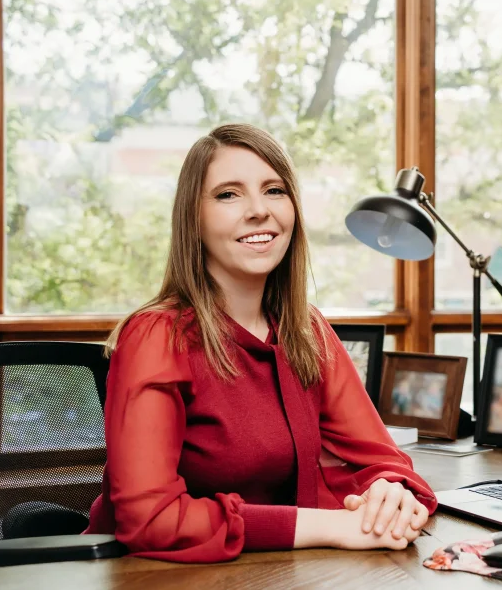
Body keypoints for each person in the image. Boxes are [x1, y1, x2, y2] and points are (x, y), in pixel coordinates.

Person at [84, 124, 436, 562]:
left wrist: (391, 492)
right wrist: (332, 526)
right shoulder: (158, 337)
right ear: (193, 218)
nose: (258, 211)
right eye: (228, 195)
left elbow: (382, 457)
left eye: (274, 190)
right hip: (155, 577)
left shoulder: (305, 330)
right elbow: (150, 520)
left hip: (272, 572)